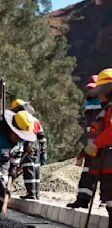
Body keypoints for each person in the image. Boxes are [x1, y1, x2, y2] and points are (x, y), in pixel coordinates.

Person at [67, 75, 102, 208]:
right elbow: (89, 129)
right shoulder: (89, 104)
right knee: (87, 173)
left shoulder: (105, 104)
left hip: (102, 143)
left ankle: (104, 202)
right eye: (90, 89)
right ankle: (82, 200)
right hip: (92, 144)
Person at [84, 68, 112, 228]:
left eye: (102, 91)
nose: (99, 95)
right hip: (105, 165)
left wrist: (96, 143)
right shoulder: (106, 109)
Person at [10, 99, 47, 200]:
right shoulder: (34, 120)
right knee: (35, 170)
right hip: (36, 148)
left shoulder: (20, 119)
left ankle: (31, 193)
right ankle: (36, 193)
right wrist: (43, 150)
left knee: (29, 170)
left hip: (27, 147)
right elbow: (42, 136)